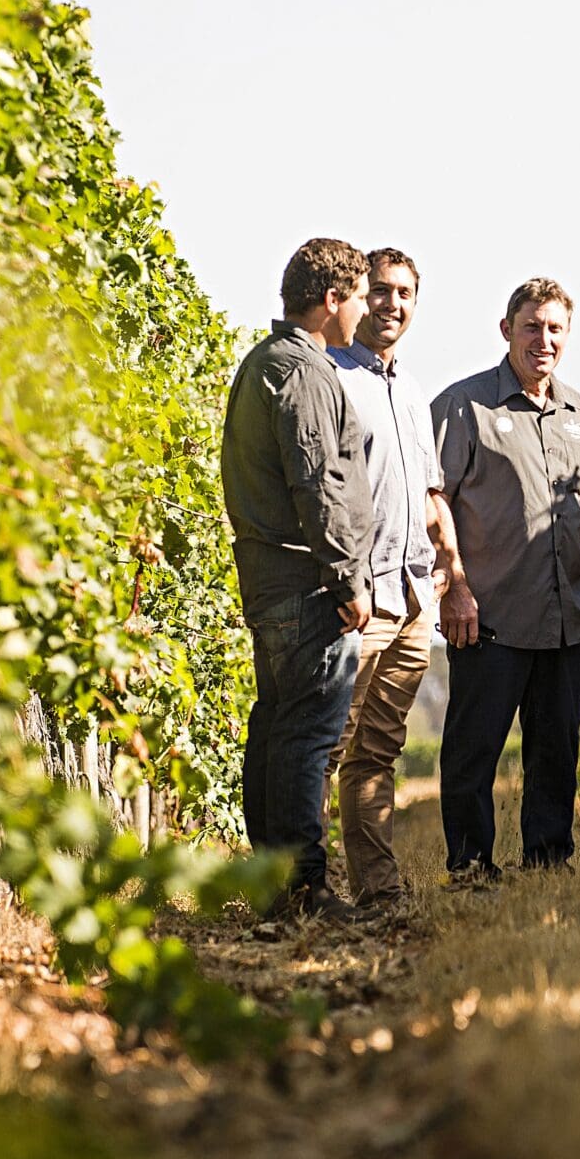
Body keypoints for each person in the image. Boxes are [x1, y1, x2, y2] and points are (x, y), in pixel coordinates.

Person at [429, 278, 580, 885]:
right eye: (532, 326)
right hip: (489, 615)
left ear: (568, 335)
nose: (544, 339)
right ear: (506, 329)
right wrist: (453, 584)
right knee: (473, 751)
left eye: (555, 328)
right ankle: (469, 867)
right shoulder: (464, 406)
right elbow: (434, 501)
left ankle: (547, 861)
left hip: (566, 616)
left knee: (557, 751)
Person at [220, 238, 374, 918]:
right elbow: (317, 482)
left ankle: (271, 881)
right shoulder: (306, 372)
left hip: (273, 576)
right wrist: (346, 578)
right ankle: (304, 887)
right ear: (333, 300)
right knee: (308, 733)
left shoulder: (265, 361)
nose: (366, 311)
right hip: (307, 583)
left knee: (278, 726)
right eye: (362, 296)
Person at [323, 247, 469, 914]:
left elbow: (434, 492)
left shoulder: (410, 391)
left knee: (376, 753)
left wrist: (454, 573)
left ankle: (377, 891)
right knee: (325, 746)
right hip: (358, 599)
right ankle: (300, 887)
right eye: (379, 291)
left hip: (414, 601)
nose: (392, 303)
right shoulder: (331, 377)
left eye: (405, 293)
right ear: (357, 296)